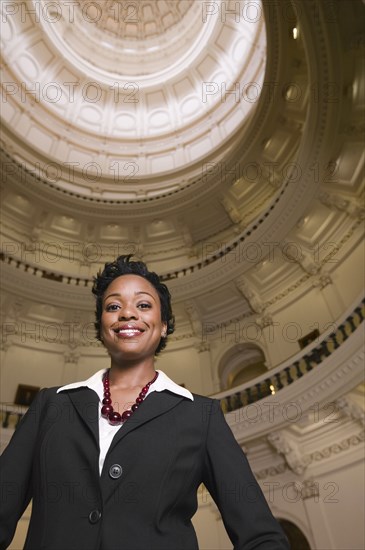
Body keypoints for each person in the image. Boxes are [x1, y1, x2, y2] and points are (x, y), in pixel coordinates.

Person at [0, 255, 289, 550]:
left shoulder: (201, 415)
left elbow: (261, 537)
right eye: (114, 306)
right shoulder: (51, 405)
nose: (127, 313)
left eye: (143, 305)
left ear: (163, 325)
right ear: (101, 325)